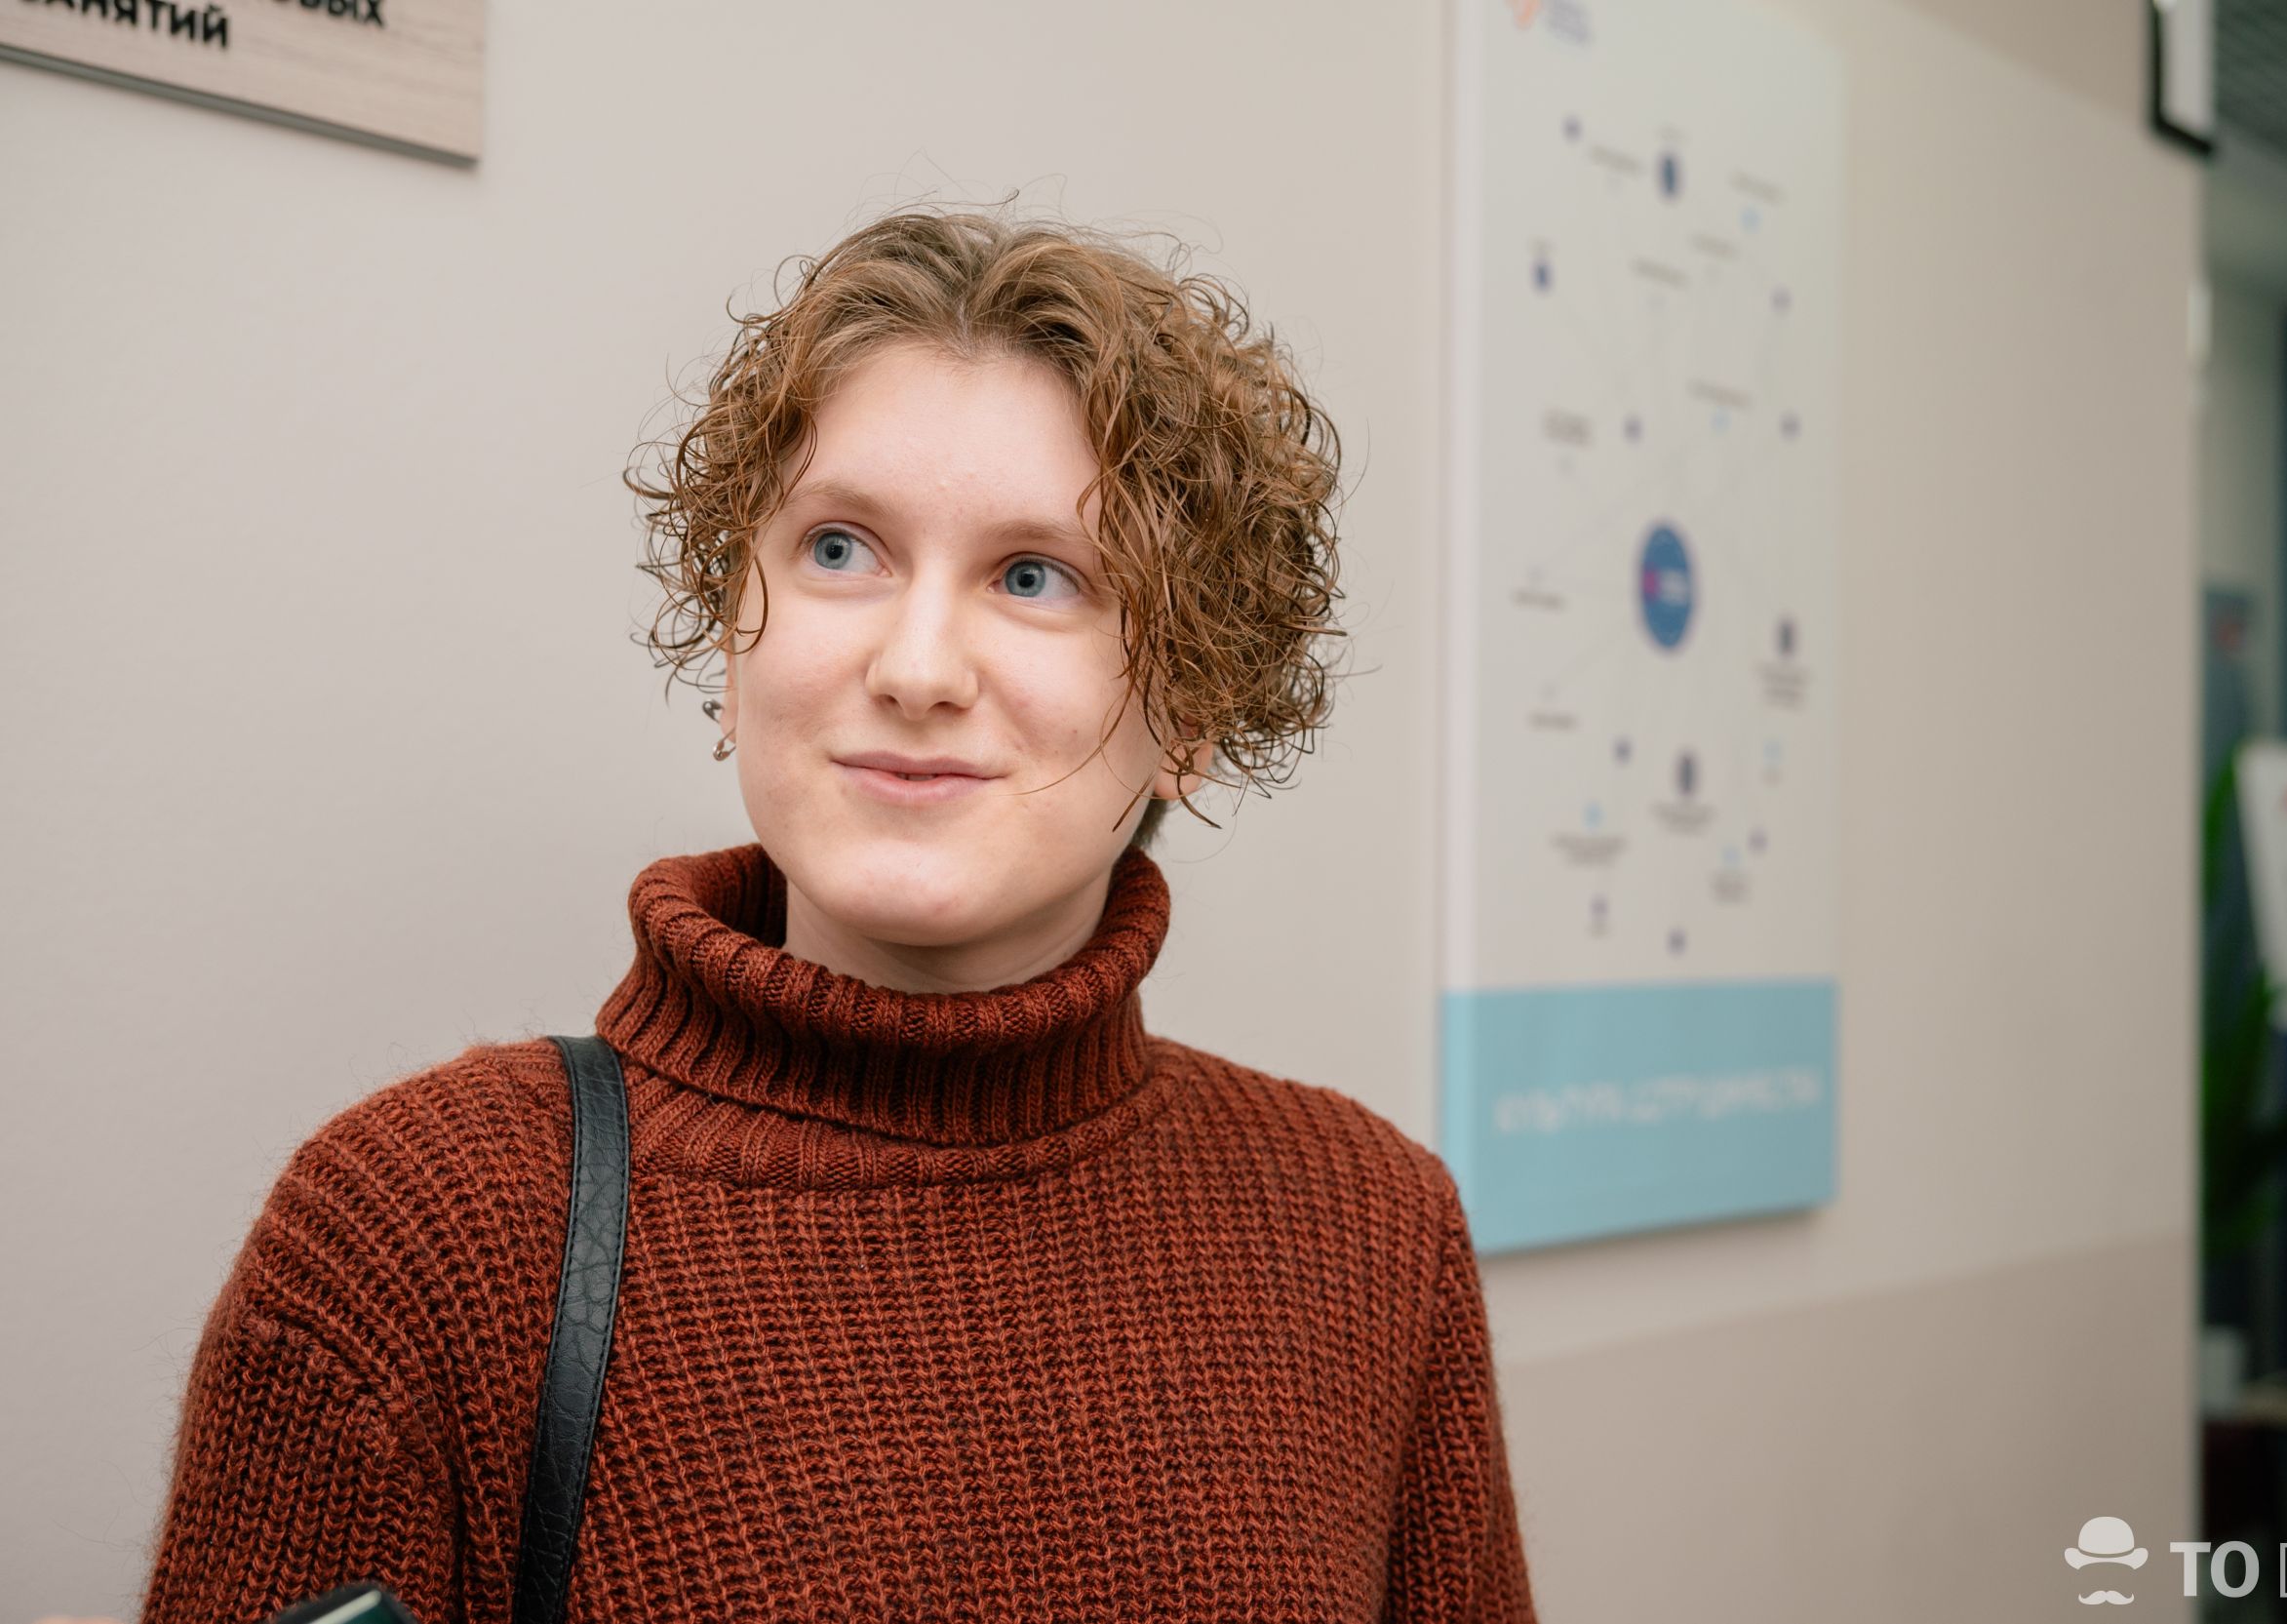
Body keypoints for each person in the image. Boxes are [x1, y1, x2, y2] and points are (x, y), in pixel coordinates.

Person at [113, 206, 1538, 1623]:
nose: (916, 667)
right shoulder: (413, 1237)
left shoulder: (1370, 1231)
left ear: (1197, 706)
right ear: (734, 631)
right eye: (842, 550)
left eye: (1034, 576)